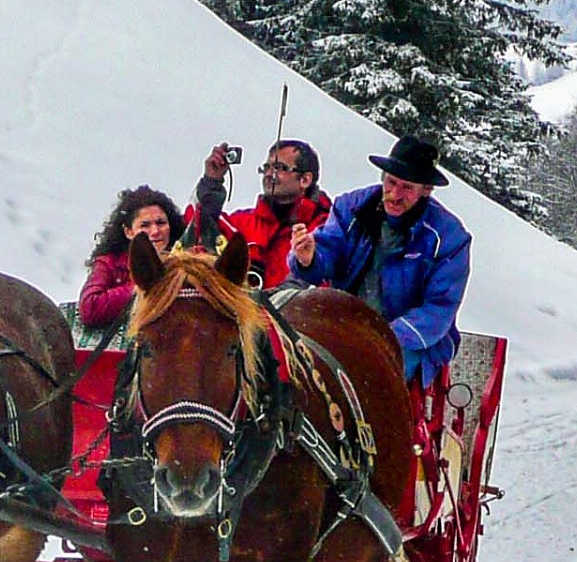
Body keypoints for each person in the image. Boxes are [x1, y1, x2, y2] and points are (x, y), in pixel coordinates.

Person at [289, 134, 470, 388]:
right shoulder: (350, 207)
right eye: (391, 182)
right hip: (344, 323)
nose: (394, 194)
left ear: (426, 190)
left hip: (410, 341)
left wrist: (385, 336)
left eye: (406, 188)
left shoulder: (449, 237)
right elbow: (328, 253)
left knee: (371, 380)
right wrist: (309, 259)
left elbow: (439, 309)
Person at [189, 138, 332, 289]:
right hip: (244, 311)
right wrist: (211, 182)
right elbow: (197, 230)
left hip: (300, 311)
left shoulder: (328, 227)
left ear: (305, 179)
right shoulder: (240, 223)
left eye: (279, 167)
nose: (269, 174)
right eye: (266, 167)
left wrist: (275, 301)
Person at [79, 186, 181, 331]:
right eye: (145, 225)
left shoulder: (185, 260)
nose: (155, 231)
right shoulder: (110, 263)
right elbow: (90, 308)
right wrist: (145, 286)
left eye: (161, 223)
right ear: (129, 232)